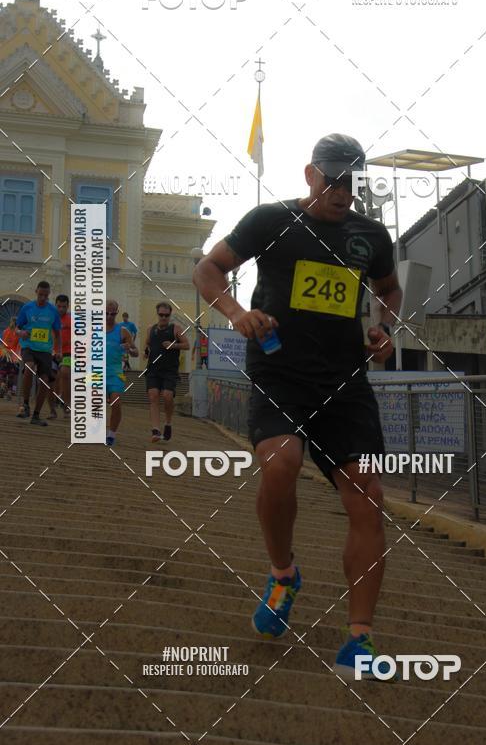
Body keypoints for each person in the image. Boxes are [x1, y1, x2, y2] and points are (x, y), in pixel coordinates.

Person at [193, 133, 402, 680]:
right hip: (281, 370)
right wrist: (238, 312)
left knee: (369, 496)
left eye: (353, 182)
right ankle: (283, 574)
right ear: (310, 174)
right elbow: (207, 270)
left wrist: (383, 327)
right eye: (333, 180)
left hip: (345, 381)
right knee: (281, 463)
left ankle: (359, 639)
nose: (342, 192)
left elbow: (389, 288)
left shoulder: (370, 235)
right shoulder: (270, 220)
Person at [15, 281, 62, 426]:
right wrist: (21, 332)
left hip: (45, 351)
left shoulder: (53, 311)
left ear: (48, 295)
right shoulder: (27, 307)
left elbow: (57, 333)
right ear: (36, 292)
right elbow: (16, 328)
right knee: (28, 367)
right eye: (40, 295)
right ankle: (26, 403)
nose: (43, 298)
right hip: (28, 346)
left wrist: (59, 350)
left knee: (45, 381)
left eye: (46, 296)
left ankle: (36, 415)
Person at [144, 303, 189, 442]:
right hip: (153, 369)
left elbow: (187, 345)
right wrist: (146, 352)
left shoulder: (176, 329)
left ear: (170, 315)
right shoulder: (150, 329)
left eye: (166, 315)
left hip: (170, 370)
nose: (163, 317)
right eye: (161, 315)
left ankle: (168, 423)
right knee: (153, 396)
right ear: (157, 314)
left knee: (168, 396)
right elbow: (147, 344)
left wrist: (173, 345)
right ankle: (156, 430)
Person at [106, 299, 138, 446]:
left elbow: (136, 352)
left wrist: (129, 348)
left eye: (112, 314)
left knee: (116, 402)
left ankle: (111, 434)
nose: (109, 316)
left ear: (117, 313)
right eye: (106, 313)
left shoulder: (123, 331)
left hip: (115, 372)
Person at [54, 295, 72, 418]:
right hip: (51, 352)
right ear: (55, 305)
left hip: (68, 352)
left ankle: (67, 405)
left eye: (64, 307)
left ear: (68, 306)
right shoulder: (50, 318)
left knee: (65, 373)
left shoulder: (72, 320)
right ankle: (55, 401)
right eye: (59, 306)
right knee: (53, 378)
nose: (61, 309)